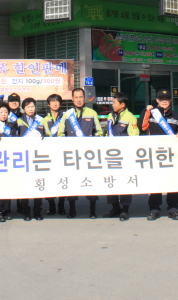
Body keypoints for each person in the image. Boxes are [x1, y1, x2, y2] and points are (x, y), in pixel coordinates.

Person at [53, 88, 104, 218]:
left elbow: (99, 132)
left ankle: (92, 211)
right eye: (76, 97)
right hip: (72, 155)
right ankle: (72, 210)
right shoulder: (67, 115)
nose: (79, 100)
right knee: (72, 182)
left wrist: (92, 143)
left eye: (81, 97)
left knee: (91, 182)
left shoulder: (92, 113)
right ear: (72, 99)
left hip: (88, 155)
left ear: (84, 98)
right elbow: (60, 134)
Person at [141, 89, 178, 221]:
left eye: (166, 99)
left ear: (170, 101)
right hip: (155, 153)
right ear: (157, 101)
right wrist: (146, 112)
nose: (164, 101)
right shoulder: (151, 113)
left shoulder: (175, 115)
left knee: (172, 181)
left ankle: (173, 209)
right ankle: (154, 209)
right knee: (156, 181)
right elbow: (142, 127)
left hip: (171, 154)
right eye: (162, 99)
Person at [103, 92, 139, 221]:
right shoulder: (110, 116)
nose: (112, 105)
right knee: (110, 180)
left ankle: (125, 209)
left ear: (122, 104)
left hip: (124, 156)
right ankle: (115, 207)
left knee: (125, 181)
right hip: (110, 156)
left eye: (114, 103)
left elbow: (134, 137)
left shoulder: (130, 117)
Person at [16, 97, 50, 221]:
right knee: (26, 185)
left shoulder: (41, 120)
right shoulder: (19, 121)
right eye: (28, 107)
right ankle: (26, 211)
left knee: (37, 185)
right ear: (23, 109)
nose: (31, 109)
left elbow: (48, 135)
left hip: (38, 157)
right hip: (24, 157)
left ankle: (37, 211)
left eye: (32, 106)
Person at [42, 94, 67, 216]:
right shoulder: (44, 119)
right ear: (48, 104)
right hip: (49, 153)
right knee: (50, 180)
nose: (55, 103)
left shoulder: (66, 117)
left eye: (57, 101)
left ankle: (61, 205)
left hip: (63, 152)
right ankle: (51, 205)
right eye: (52, 101)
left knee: (62, 179)